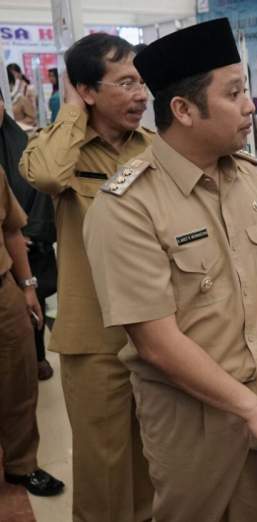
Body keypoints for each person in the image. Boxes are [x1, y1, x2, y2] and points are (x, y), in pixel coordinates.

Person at [83, 18, 257, 521]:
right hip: (191, 415)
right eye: (235, 93)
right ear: (183, 110)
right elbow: (156, 341)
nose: (251, 106)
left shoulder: (243, 174)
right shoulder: (128, 207)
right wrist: (247, 408)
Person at [20, 33, 155, 522]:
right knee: (103, 465)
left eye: (142, 82)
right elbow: (49, 177)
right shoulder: (62, 150)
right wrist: (73, 109)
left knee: (147, 459)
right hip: (95, 337)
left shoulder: (154, 149)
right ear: (87, 90)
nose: (141, 94)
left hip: (156, 331)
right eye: (125, 83)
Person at [0, 166, 64, 497]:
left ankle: (22, 465)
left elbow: (11, 230)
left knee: (18, 380)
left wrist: (28, 287)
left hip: (3, 290)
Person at [1, 92, 57, 381]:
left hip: (28, 247)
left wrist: (27, 233)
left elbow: (40, 194)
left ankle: (37, 357)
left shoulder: (22, 145)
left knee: (30, 302)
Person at [7, 64, 37, 128]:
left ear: (20, 73)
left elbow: (33, 113)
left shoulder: (28, 89)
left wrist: (16, 124)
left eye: (14, 73)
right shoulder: (6, 96)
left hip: (24, 129)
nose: (14, 76)